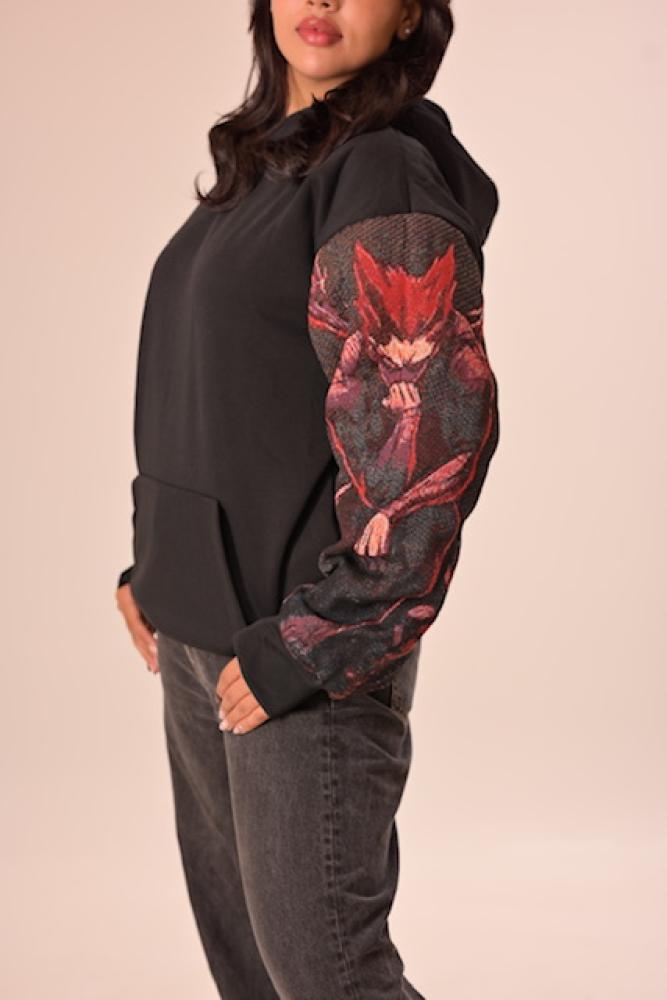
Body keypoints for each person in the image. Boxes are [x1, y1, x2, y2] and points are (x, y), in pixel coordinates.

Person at [115, 1, 500, 997]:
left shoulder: (381, 175)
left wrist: (320, 639)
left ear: (408, 12)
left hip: (300, 651)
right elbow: (218, 389)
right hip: (202, 636)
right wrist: (154, 556)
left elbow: (426, 449)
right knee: (253, 976)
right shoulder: (264, 168)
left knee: (328, 979)